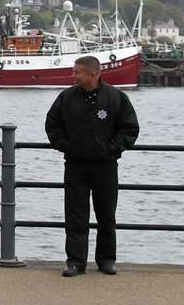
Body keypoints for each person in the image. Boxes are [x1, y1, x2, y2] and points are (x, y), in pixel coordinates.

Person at [45, 56, 140, 276]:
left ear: (93, 74)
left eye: (77, 72)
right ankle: (76, 262)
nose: (73, 75)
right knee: (75, 215)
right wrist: (65, 146)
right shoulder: (66, 98)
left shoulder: (116, 98)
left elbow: (130, 129)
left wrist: (112, 149)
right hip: (75, 166)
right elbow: (52, 124)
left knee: (106, 214)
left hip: (105, 166)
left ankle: (106, 260)